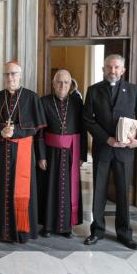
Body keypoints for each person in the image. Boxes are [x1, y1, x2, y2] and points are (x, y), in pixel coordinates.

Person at [83, 54, 137, 250]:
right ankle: (97, 230)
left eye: (117, 67)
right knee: (99, 191)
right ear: (103, 69)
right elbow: (88, 120)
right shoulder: (93, 90)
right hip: (103, 148)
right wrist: (107, 138)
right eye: (109, 67)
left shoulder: (134, 91)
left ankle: (124, 234)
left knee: (122, 192)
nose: (113, 71)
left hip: (125, 151)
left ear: (123, 70)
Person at [0, 61, 46, 243]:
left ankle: (21, 231)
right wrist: (0, 131)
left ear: (20, 75)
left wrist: (15, 131)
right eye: (7, 74)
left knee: (21, 190)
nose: (10, 78)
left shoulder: (31, 98)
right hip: (0, 151)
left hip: (22, 151)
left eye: (14, 74)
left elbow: (35, 127)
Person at [36, 70, 87, 238]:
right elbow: (40, 132)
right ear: (53, 83)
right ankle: (48, 226)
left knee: (68, 189)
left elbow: (82, 129)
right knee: (49, 188)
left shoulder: (77, 102)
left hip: (71, 152)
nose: (62, 85)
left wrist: (82, 155)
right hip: (50, 153)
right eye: (59, 82)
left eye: (66, 82)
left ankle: (66, 227)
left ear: (70, 84)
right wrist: (41, 156)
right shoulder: (43, 102)